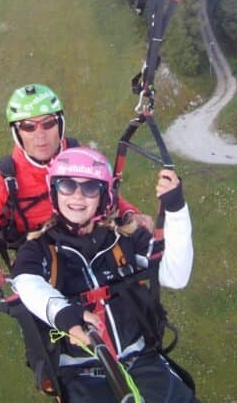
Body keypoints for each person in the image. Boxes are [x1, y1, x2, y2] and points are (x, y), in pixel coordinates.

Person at [11, 146, 198, 402]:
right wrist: (64, 313)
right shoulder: (39, 248)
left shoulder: (126, 238)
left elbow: (175, 276)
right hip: (80, 374)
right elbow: (26, 282)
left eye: (89, 188)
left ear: (104, 196)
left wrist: (176, 210)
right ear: (54, 192)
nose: (77, 196)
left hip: (141, 361)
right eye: (67, 185)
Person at [0, 84, 150, 287]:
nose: (40, 135)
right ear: (16, 133)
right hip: (44, 260)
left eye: (48, 123)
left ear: (60, 124)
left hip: (94, 244)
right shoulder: (5, 181)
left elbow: (104, 194)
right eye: (28, 126)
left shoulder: (80, 156)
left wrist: (130, 214)